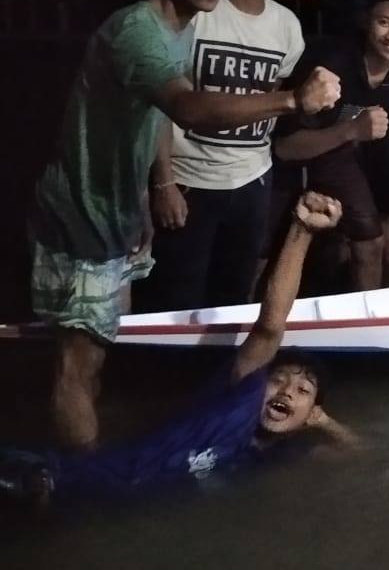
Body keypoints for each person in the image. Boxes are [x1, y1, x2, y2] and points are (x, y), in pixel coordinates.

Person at [28, 0, 341, 451]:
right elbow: (188, 109)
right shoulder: (139, 32)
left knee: (108, 352)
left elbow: (153, 118)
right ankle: (81, 493)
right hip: (81, 218)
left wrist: (150, 190)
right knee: (76, 367)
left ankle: (108, 451)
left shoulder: (181, 26)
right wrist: (291, 100)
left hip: (119, 212)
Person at [2, 193, 357, 506]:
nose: (286, 391)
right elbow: (270, 325)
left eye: (302, 391)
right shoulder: (238, 400)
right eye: (279, 379)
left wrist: (325, 423)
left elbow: (362, 456)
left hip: (98, 513)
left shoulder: (273, 455)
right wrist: (302, 230)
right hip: (45, 480)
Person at [142, 0, 306, 313]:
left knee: (233, 296)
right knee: (178, 297)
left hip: (252, 180)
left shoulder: (287, 25)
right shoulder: (199, 14)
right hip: (189, 180)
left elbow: (268, 94)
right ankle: (171, 376)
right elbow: (159, 107)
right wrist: (163, 184)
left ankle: (221, 375)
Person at [273, 0, 389, 290]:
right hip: (286, 165)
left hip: (344, 156)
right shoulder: (331, 63)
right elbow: (285, 147)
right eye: (384, 22)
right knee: (264, 253)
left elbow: (385, 140)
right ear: (366, 21)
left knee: (370, 240)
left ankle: (368, 324)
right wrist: (351, 130)